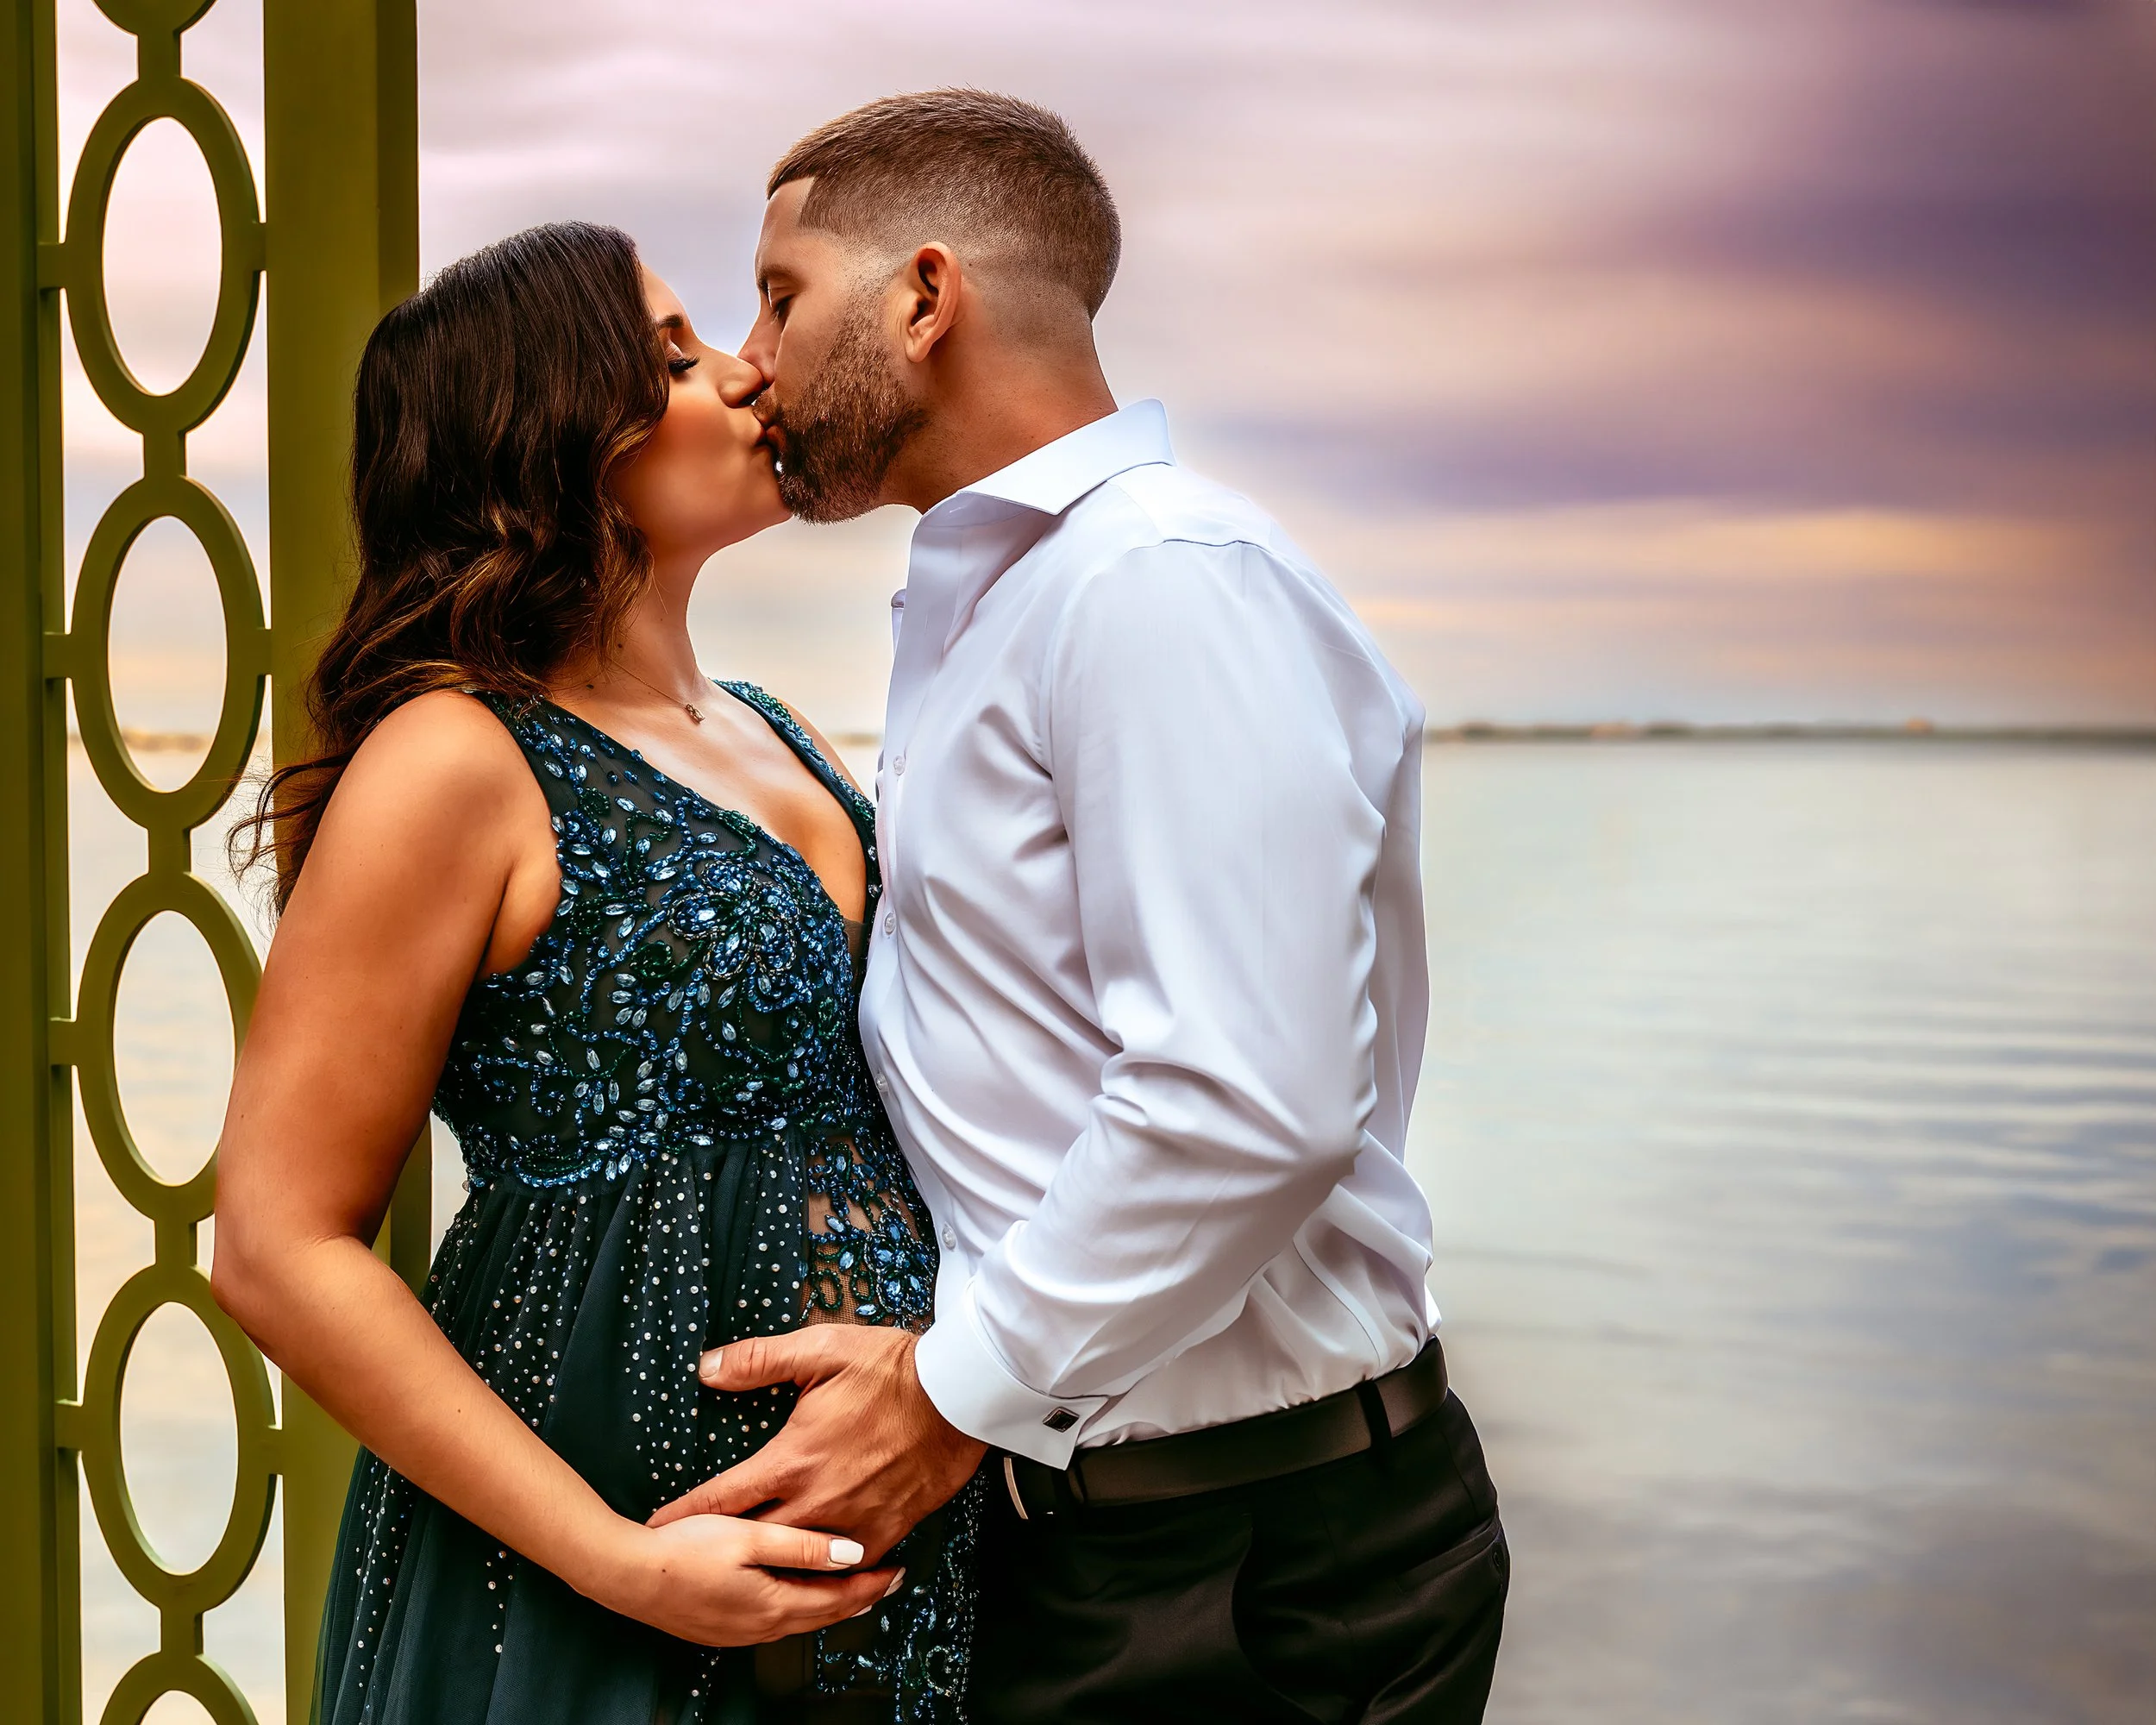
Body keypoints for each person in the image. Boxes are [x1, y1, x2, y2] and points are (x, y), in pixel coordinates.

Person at [651, 91, 1510, 1722]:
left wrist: (947, 1399)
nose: (751, 360)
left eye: (778, 294)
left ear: (923, 295)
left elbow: (1247, 1103)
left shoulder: (1160, 584)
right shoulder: (994, 604)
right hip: (1092, 1538)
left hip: (1262, 1568)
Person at [210, 221, 979, 1724]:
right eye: (679, 355)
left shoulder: (776, 727)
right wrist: (615, 1558)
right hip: (585, 1551)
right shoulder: (455, 760)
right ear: (560, 433)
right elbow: (277, 1243)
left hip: (877, 1534)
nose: (752, 374)